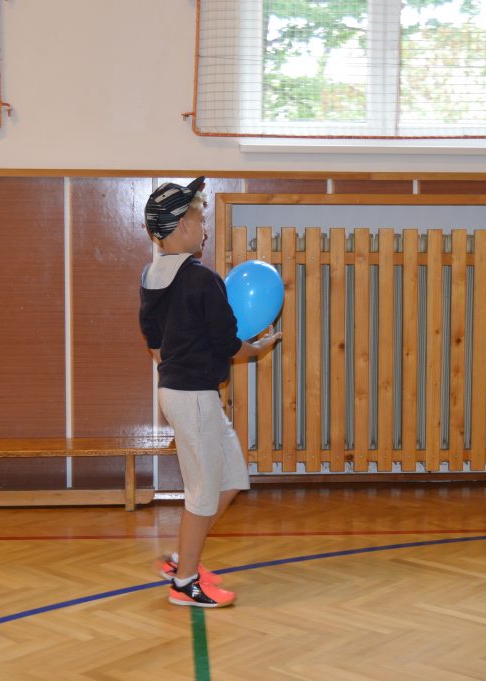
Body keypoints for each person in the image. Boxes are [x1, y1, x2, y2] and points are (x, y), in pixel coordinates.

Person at [138, 176, 281, 608]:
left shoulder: (151, 275)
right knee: (201, 492)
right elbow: (228, 344)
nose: (204, 228)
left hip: (183, 393)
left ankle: (181, 559)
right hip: (194, 398)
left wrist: (183, 369)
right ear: (182, 225)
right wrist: (259, 346)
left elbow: (155, 343)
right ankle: (185, 584)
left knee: (233, 477)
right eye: (200, 219)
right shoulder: (203, 280)